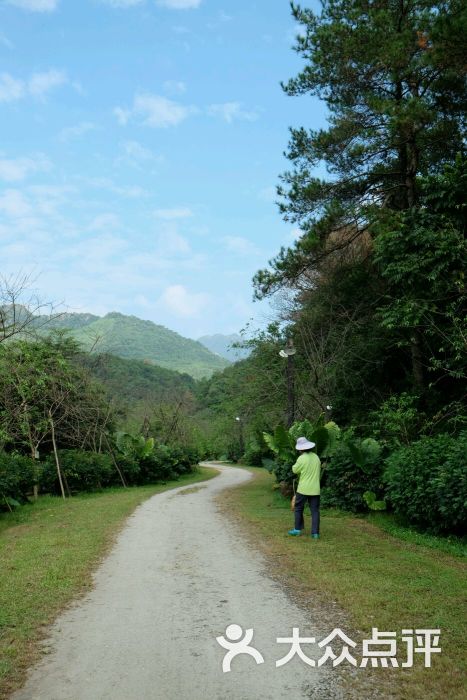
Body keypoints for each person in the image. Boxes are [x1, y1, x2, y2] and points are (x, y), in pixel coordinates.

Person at [288, 436, 321, 538]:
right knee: (315, 511)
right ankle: (315, 533)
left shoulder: (301, 458)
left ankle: (297, 530)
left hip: (303, 489)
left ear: (301, 449)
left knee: (298, 508)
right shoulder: (316, 457)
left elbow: (295, 470)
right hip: (315, 489)